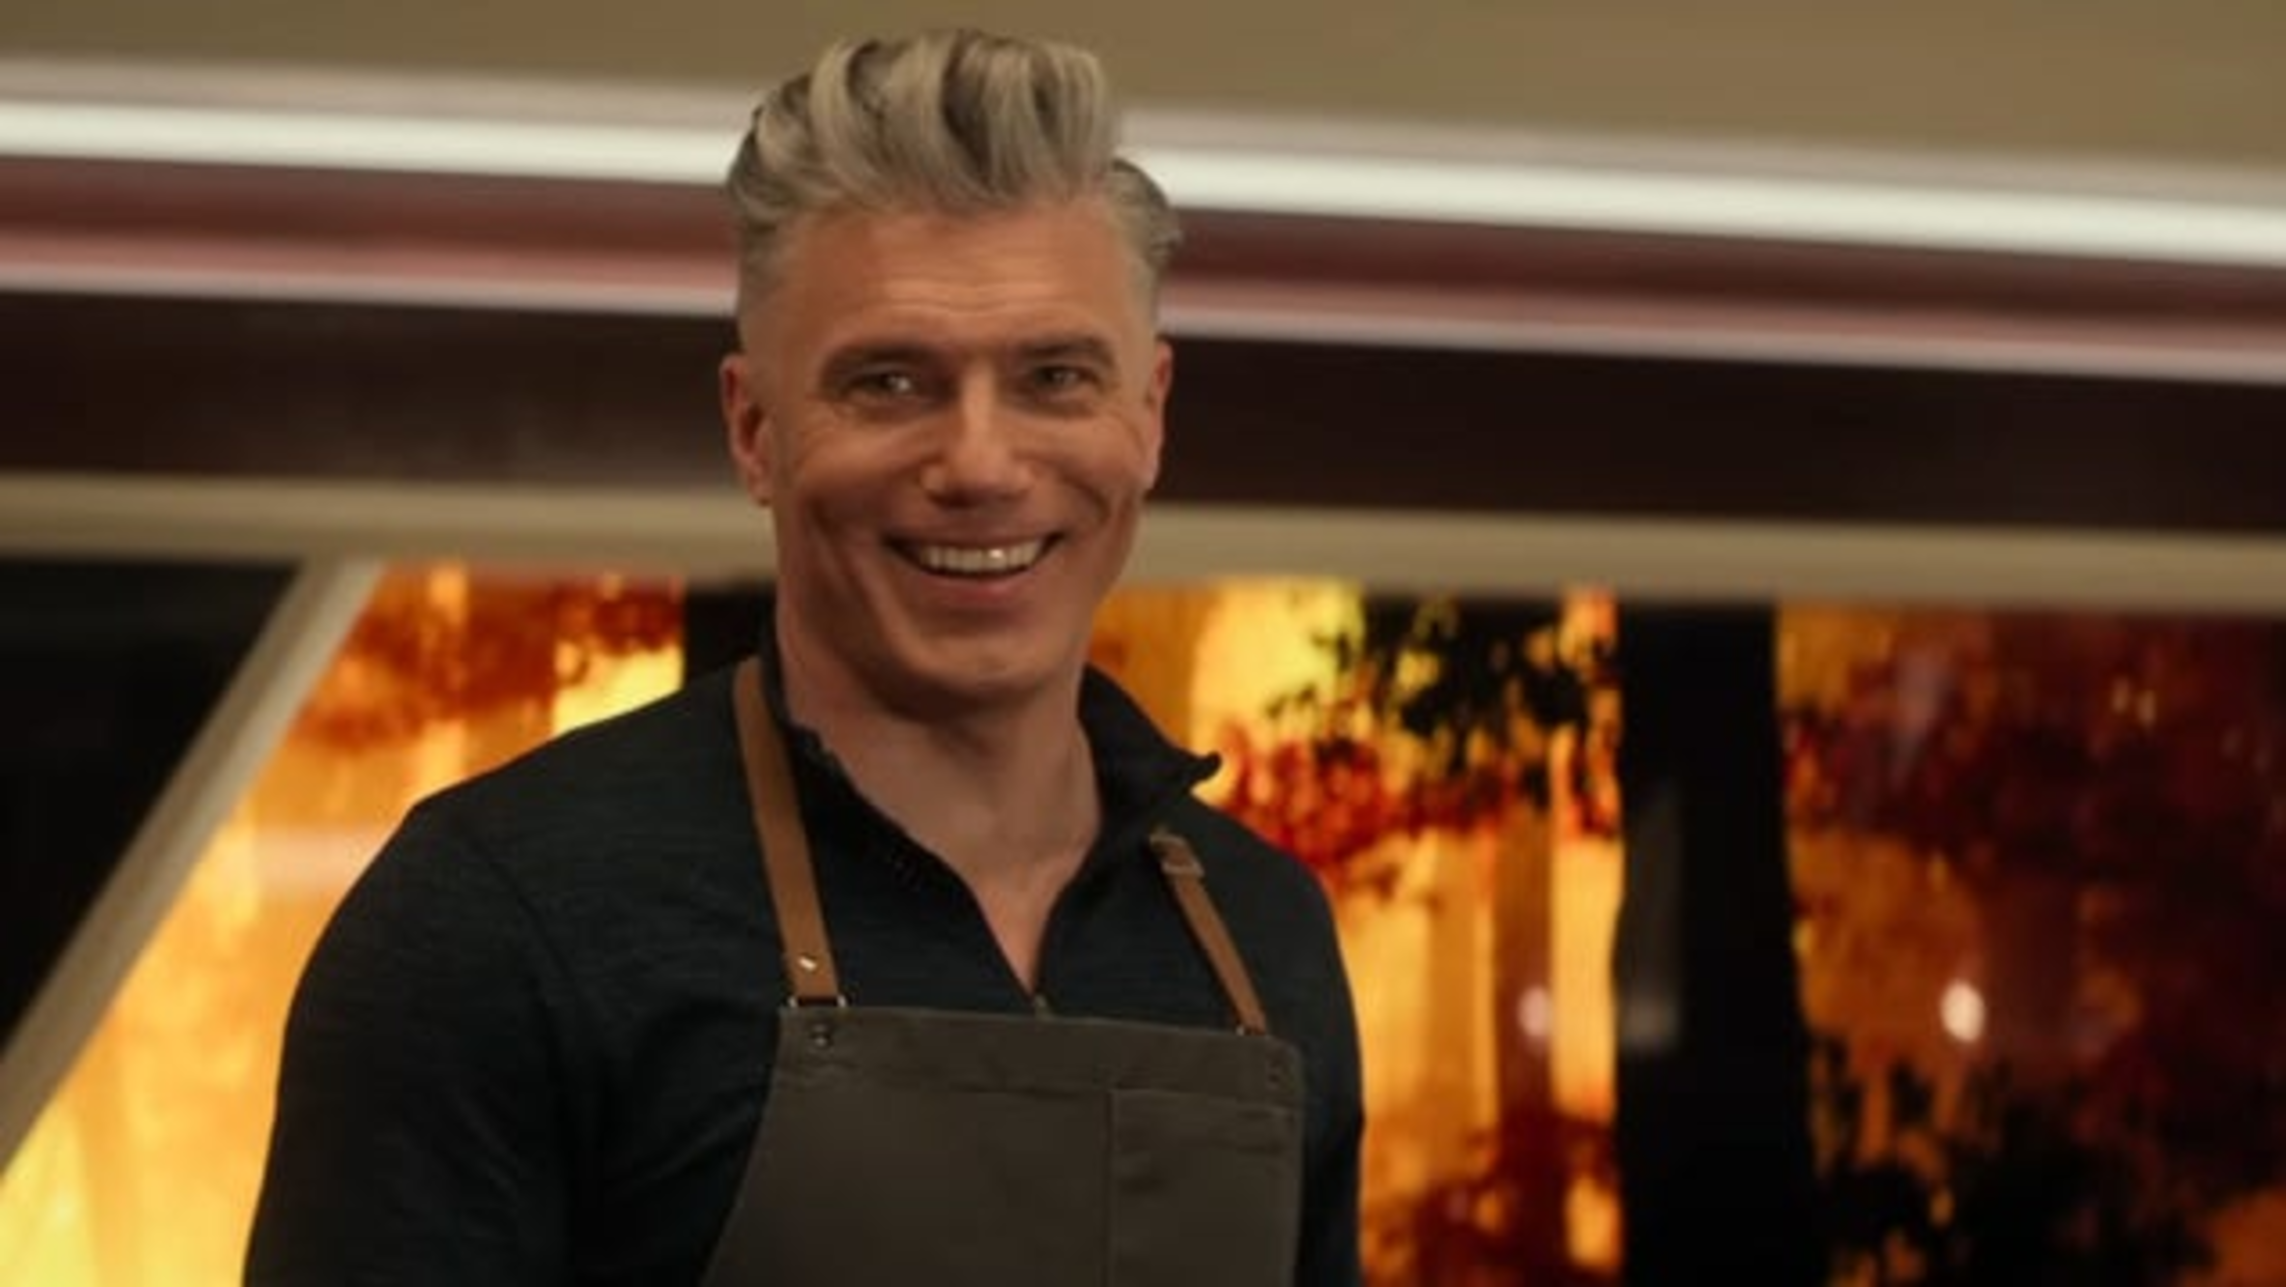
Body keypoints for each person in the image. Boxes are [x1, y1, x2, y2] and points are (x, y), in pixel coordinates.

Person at [244, 27, 1364, 1286]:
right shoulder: (501, 922)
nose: (981, 464)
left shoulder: (1263, 934)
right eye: (889, 383)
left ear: (1148, 415)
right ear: (753, 431)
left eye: (1055, 377)